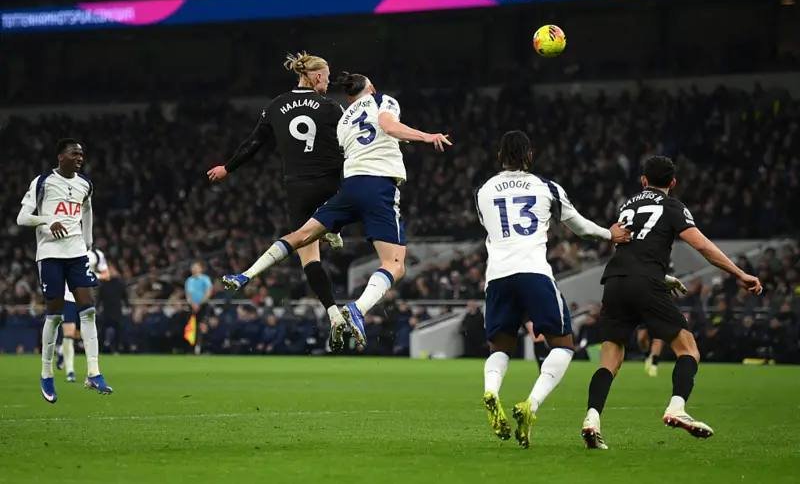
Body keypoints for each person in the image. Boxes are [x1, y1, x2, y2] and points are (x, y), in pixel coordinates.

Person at [222, 71, 451, 348]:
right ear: (371, 87)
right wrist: (427, 136)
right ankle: (357, 309)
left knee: (301, 235)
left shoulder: (344, 119)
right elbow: (388, 126)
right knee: (395, 264)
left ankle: (246, 274)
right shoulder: (382, 100)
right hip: (378, 186)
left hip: (350, 187)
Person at [581, 155, 762, 449]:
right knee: (688, 348)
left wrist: (663, 277)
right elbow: (702, 245)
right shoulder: (673, 206)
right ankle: (677, 407)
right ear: (673, 182)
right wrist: (739, 273)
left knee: (610, 358)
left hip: (614, 281)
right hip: (646, 283)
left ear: (643, 180)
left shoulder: (628, 206)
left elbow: (632, 249)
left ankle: (592, 418)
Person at [475, 130, 631, 448]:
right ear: (529, 155)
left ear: (500, 156)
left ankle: (491, 391)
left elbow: (490, 228)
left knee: (499, 348)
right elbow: (581, 227)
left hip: (498, 277)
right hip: (534, 272)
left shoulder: (484, 190)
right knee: (563, 345)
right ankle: (531, 405)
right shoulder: (546, 188)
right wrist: (609, 234)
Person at [207, 52, 348, 350]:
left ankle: (333, 312)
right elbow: (349, 141)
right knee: (352, 199)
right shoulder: (330, 107)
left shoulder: (275, 105)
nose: (328, 82)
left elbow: (254, 143)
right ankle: (335, 228)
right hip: (329, 184)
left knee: (310, 258)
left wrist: (227, 168)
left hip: (297, 188)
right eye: (327, 77)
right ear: (317, 76)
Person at [16, 138, 113, 403]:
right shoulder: (43, 182)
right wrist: (49, 220)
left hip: (76, 253)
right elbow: (22, 218)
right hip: (50, 255)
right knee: (55, 315)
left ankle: (94, 372)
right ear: (60, 156)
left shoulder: (85, 184)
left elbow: (87, 209)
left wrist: (88, 242)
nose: (79, 158)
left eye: (81, 154)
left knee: (88, 309)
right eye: (74, 154)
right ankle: (46, 373)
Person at [57, 248, 109, 382]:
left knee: (82, 334)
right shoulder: (68, 249)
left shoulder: (97, 254)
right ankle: (70, 372)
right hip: (68, 297)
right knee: (69, 333)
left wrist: (90, 274)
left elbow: (106, 275)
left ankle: (62, 351)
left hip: (86, 298)